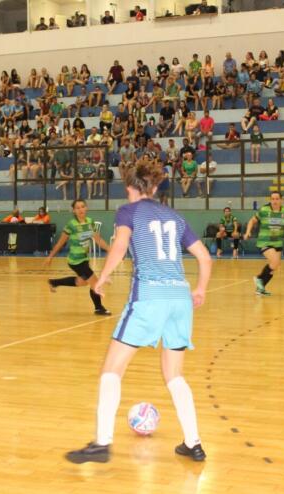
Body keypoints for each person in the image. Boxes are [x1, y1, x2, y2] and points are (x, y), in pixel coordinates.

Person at [65, 159, 212, 464]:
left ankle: (102, 443)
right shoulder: (174, 215)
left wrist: (102, 277)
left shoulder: (128, 212)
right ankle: (193, 443)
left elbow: (119, 246)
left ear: (129, 186)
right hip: (180, 299)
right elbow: (204, 257)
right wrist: (200, 289)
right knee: (174, 375)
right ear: (155, 187)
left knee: (111, 370)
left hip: (149, 297)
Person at [45, 199, 111, 315]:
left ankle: (54, 282)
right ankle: (99, 308)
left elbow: (98, 239)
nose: (80, 209)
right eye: (78, 208)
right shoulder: (71, 225)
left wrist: (110, 249)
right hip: (76, 261)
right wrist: (50, 256)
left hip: (84, 259)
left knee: (82, 282)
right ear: (74, 211)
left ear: (86, 208)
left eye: (82, 206)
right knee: (95, 283)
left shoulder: (90, 222)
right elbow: (60, 242)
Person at [243, 191, 284, 296]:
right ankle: (259, 278)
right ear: (270, 200)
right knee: (274, 261)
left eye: (277, 199)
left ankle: (260, 289)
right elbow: (252, 221)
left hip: (278, 242)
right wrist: (247, 232)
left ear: (281, 200)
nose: (274, 201)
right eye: (272, 199)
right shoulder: (264, 210)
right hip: (265, 241)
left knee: (275, 266)